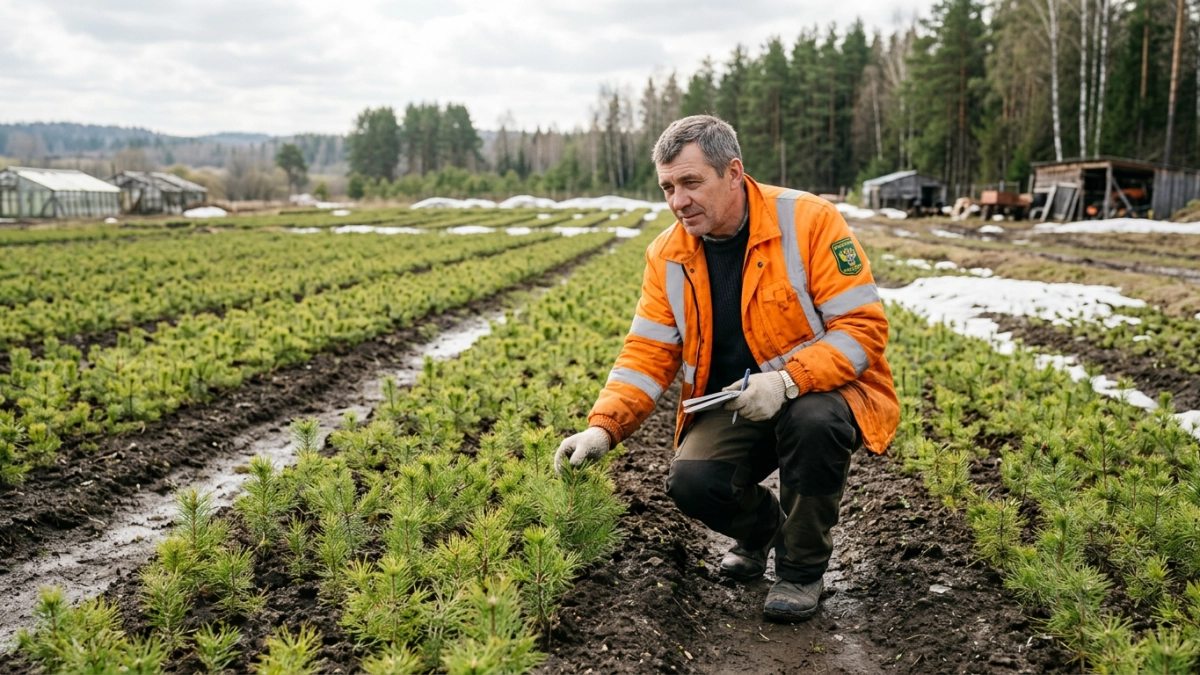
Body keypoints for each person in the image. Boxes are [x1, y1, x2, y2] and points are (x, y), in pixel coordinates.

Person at [553, 115, 899, 622]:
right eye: (668, 187)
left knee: (814, 422)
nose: (678, 201)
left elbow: (861, 328)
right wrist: (603, 427)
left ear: (733, 173)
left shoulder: (808, 221)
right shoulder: (667, 254)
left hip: (823, 391)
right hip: (734, 402)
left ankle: (801, 571)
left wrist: (787, 381)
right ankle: (766, 532)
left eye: (691, 183)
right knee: (692, 483)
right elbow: (647, 352)